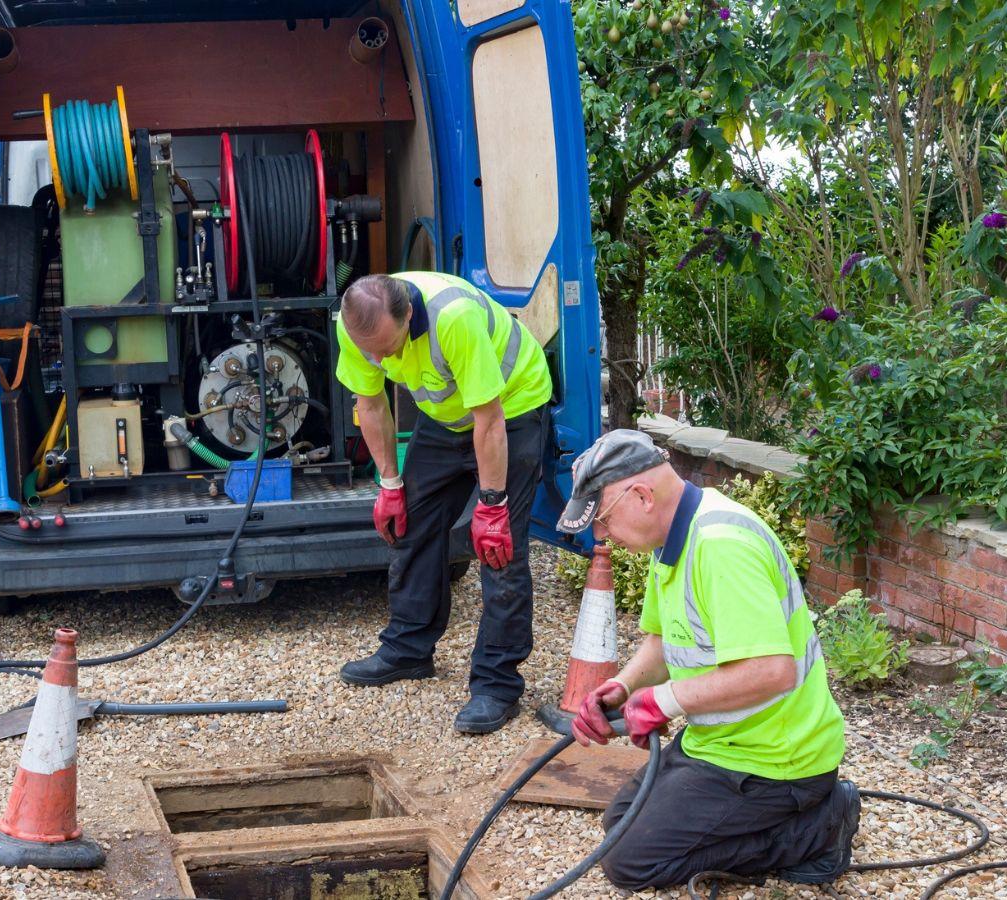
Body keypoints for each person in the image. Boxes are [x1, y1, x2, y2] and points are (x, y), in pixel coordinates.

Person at [557, 429, 859, 890]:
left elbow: (772, 670)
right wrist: (623, 687)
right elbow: (664, 644)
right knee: (619, 821)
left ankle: (818, 829)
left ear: (641, 495)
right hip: (722, 743)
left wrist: (664, 701)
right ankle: (795, 820)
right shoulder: (672, 538)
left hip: (777, 760)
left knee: (629, 863)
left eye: (603, 519)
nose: (601, 535)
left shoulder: (721, 546)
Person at [333, 272, 553, 734]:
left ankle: (496, 684)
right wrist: (390, 484)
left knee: (499, 548)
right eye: (368, 349)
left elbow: (489, 418)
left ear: (408, 315)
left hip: (509, 409)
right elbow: (370, 405)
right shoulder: (356, 324)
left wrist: (491, 505)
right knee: (410, 524)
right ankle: (408, 650)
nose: (377, 358)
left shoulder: (454, 317)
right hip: (446, 416)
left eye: (386, 348)